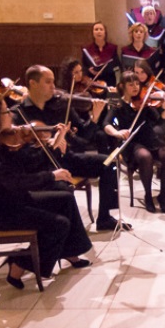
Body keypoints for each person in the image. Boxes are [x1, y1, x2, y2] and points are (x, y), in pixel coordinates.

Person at [0, 93, 92, 289]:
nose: (11, 115)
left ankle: (69, 251)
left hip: (13, 201)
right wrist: (52, 176)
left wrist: (54, 145)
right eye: (6, 112)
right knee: (59, 224)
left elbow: (28, 164)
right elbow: (14, 182)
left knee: (65, 198)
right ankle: (19, 263)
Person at [13, 65, 130, 231]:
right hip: (42, 166)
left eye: (53, 81)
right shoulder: (19, 114)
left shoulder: (60, 106)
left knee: (109, 162)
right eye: (48, 82)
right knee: (63, 187)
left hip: (66, 158)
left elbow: (85, 137)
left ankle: (104, 218)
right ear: (33, 83)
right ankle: (68, 230)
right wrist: (50, 143)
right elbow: (20, 154)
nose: (54, 87)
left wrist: (94, 119)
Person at [103, 73, 165, 213]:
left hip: (151, 139)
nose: (135, 87)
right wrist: (117, 133)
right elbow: (106, 123)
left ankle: (162, 195)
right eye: (131, 84)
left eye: (137, 84)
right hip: (133, 143)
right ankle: (148, 196)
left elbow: (160, 122)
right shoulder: (118, 104)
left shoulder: (145, 103)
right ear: (122, 86)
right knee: (145, 156)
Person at [83, 21, 119, 87]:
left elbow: (116, 65)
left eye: (101, 29)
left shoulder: (112, 48)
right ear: (93, 33)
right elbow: (84, 66)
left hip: (109, 81)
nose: (99, 32)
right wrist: (90, 71)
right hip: (93, 81)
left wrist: (103, 71)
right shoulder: (87, 49)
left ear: (105, 32)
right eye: (96, 29)